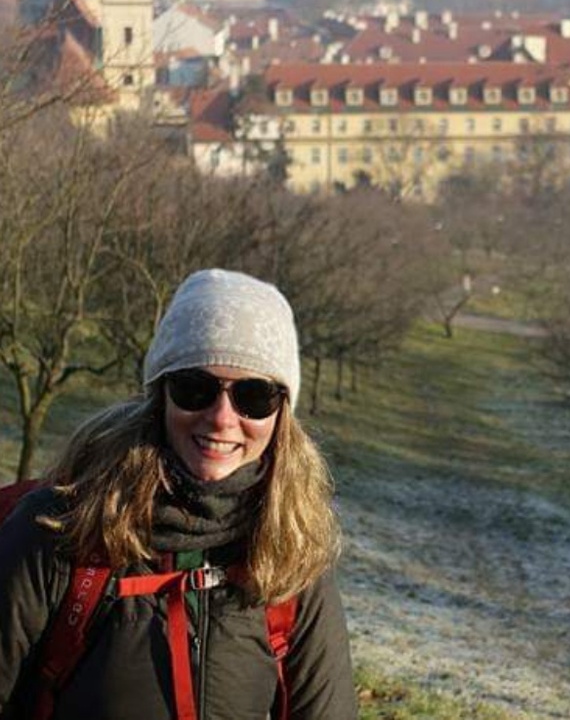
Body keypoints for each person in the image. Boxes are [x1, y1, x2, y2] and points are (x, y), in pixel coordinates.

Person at [0, 268, 357, 720]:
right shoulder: (59, 531)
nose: (222, 418)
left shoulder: (292, 557)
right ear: (161, 395)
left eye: (254, 396)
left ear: (282, 413)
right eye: (195, 388)